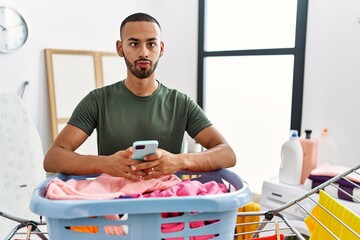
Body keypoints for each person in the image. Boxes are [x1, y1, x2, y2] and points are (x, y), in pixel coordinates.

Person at [43, 12, 236, 181]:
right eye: (134, 43)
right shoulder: (97, 101)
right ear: (120, 48)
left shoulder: (180, 103)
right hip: (114, 207)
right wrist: (106, 164)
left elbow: (227, 153)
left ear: (161, 48)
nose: (143, 52)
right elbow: (53, 158)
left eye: (151, 44)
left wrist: (177, 161)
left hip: (166, 207)